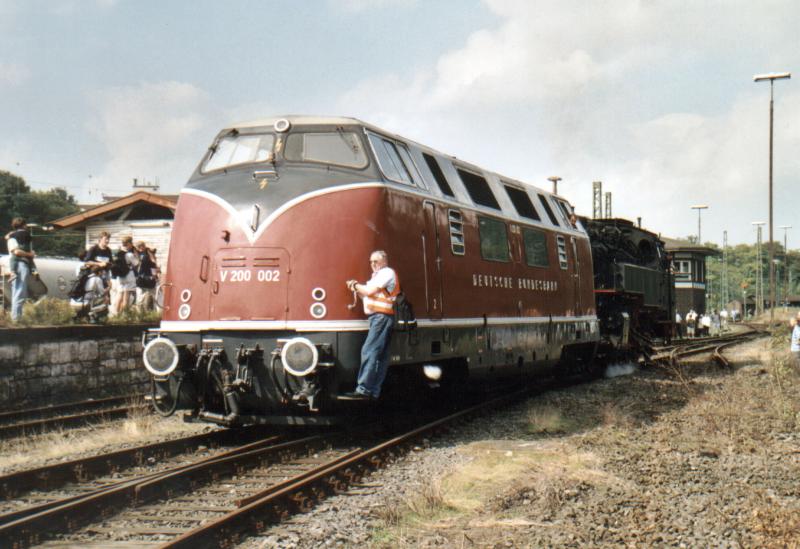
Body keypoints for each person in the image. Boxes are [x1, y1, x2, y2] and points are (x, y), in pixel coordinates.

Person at [341, 250, 399, 400]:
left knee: (369, 350)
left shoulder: (387, 273)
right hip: (379, 317)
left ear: (384, 261)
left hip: (381, 317)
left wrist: (355, 284)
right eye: (371, 262)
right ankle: (373, 390)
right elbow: (367, 295)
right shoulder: (377, 277)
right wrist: (357, 288)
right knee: (380, 355)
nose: (373, 264)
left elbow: (369, 291)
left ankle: (364, 389)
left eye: (376, 261)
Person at [6, 218, 36, 321]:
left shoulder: (12, 236)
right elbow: (17, 252)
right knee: (20, 291)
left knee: (17, 292)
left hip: (18, 265)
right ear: (24, 225)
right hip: (21, 264)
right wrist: (30, 254)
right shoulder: (17, 238)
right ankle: (16, 319)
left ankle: (16, 317)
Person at [112, 236, 138, 315]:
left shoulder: (119, 253)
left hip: (120, 276)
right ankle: (124, 315)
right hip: (129, 275)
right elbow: (136, 263)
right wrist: (136, 256)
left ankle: (116, 313)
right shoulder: (129, 254)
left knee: (120, 295)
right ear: (129, 243)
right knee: (126, 297)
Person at [134, 241, 159, 310]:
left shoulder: (148, 253)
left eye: (141, 247)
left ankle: (148, 311)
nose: (140, 248)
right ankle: (141, 312)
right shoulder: (138, 254)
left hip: (147, 278)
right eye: (138, 247)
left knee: (149, 296)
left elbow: (153, 265)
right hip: (142, 278)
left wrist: (154, 276)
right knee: (140, 298)